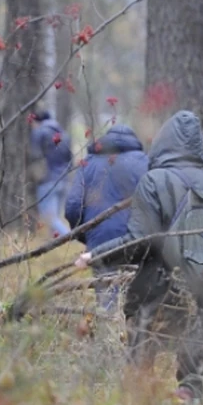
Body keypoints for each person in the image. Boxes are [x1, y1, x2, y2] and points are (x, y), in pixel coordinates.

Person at [75, 110, 203, 403]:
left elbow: (139, 242)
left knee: (139, 372)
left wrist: (95, 255)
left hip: (159, 294)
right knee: (192, 379)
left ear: (164, 143)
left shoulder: (154, 182)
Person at [64, 124, 149, 311]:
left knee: (107, 302)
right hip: (136, 241)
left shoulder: (89, 163)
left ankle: (108, 336)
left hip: (100, 242)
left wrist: (87, 236)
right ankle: (134, 336)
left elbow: (72, 207)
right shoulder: (145, 162)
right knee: (136, 299)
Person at [29, 110, 73, 237]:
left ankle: (70, 237)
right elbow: (70, 158)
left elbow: (35, 155)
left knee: (49, 218)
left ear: (37, 121)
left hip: (47, 180)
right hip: (64, 180)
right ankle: (56, 248)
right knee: (55, 219)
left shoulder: (39, 132)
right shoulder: (63, 134)